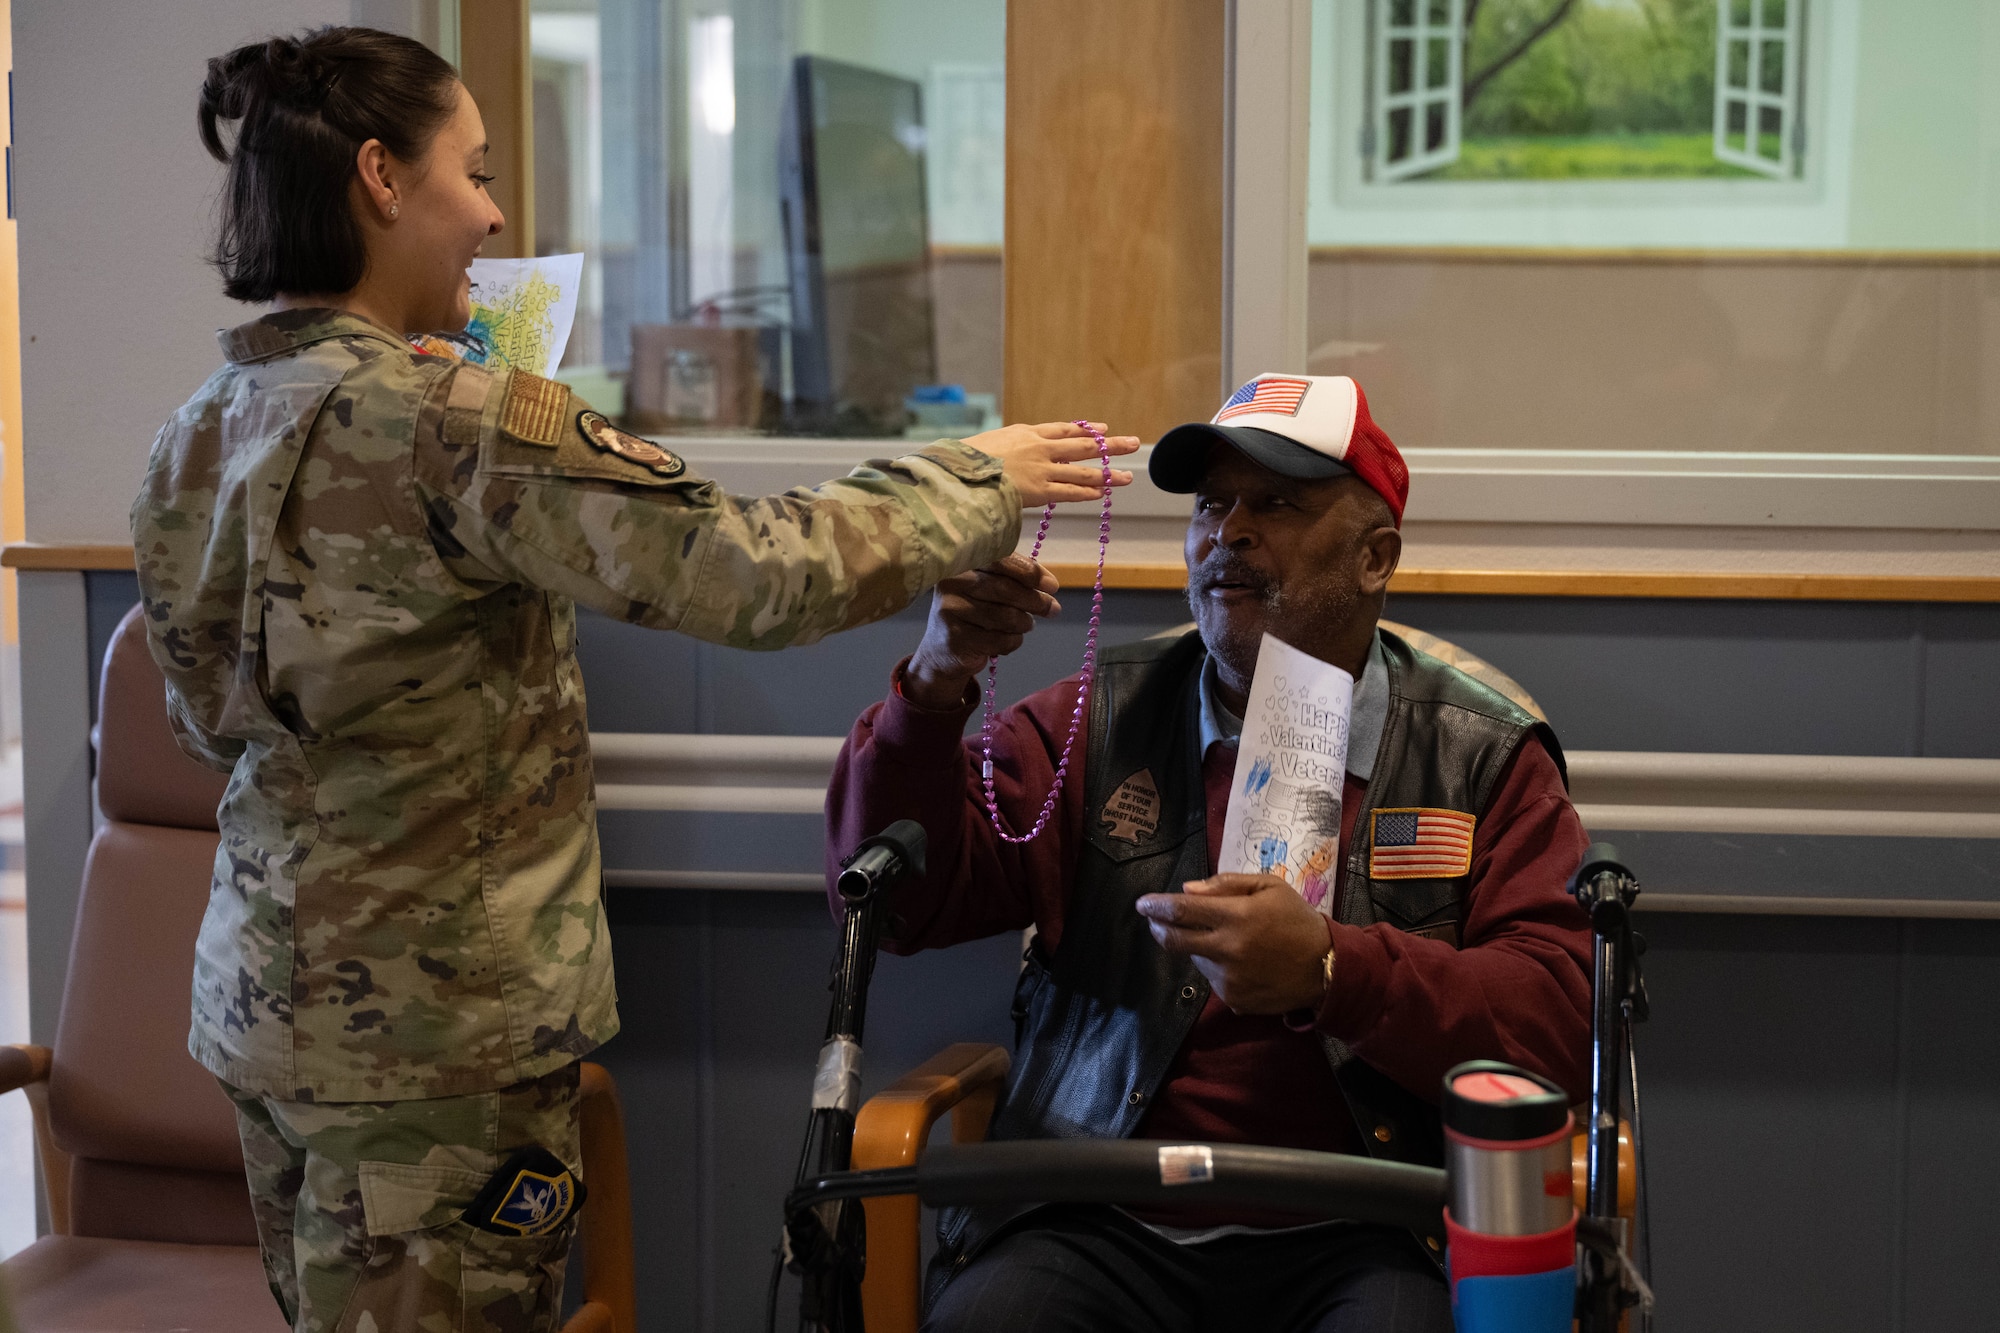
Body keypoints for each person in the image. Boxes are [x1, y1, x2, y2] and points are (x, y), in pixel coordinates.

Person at [133, 26, 1138, 1333]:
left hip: (266, 1017)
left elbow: (199, 721)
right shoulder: (461, 424)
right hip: (445, 1051)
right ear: (381, 179)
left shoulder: (196, 431)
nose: (493, 213)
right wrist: (980, 472)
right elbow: (755, 574)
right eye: (475, 171)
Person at [825, 374, 1592, 1331]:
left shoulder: (1482, 758)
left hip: (1372, 1226)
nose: (1229, 532)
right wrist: (935, 684)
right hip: (1099, 1216)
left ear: (1375, 555)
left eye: (1276, 503)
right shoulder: (1095, 718)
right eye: (1211, 504)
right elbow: (898, 904)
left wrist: (1331, 969)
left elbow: (1556, 1025)